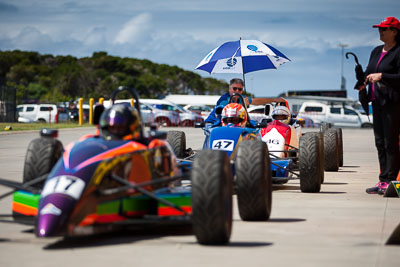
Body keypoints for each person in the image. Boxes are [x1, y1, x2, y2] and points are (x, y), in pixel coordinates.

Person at [364, 17, 400, 194]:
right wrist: (361, 77)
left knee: (390, 142)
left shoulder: (399, 51)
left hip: (392, 103)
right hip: (376, 102)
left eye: (385, 29)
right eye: (379, 29)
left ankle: (391, 180)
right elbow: (369, 73)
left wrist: (383, 76)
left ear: (395, 32)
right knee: (379, 142)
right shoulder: (376, 51)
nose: (381, 32)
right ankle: (382, 180)